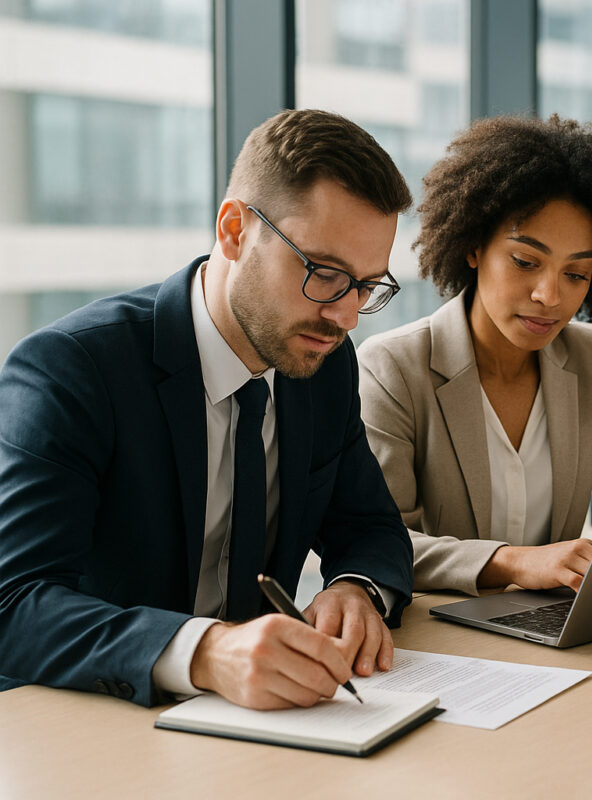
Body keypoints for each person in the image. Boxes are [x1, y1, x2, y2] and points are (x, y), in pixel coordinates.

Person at [0, 109, 415, 709]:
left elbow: (371, 526)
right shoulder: (72, 369)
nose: (345, 316)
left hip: (262, 723)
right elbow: (15, 602)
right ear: (234, 231)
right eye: (324, 274)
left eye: (366, 285)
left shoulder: (323, 363)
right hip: (94, 724)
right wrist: (204, 652)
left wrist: (356, 589)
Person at [358, 115, 592, 595]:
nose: (550, 295)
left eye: (576, 274)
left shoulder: (590, 355)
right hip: (440, 641)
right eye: (526, 262)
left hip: (556, 634)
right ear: (475, 246)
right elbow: (380, 541)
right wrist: (513, 564)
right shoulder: (393, 367)